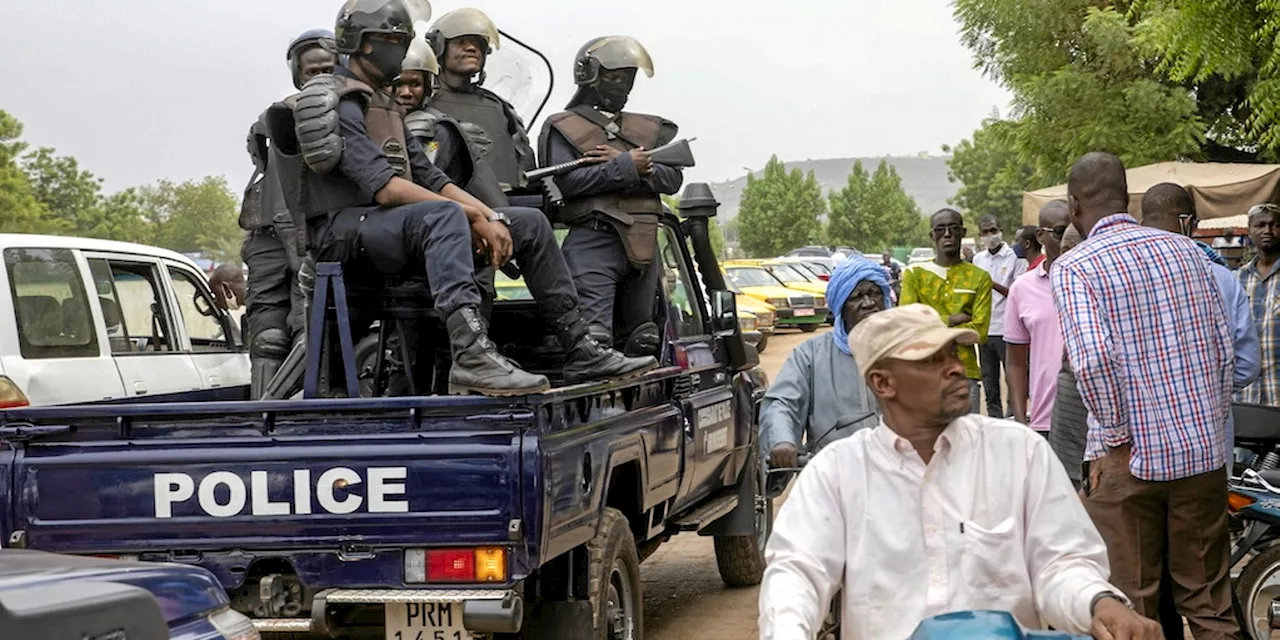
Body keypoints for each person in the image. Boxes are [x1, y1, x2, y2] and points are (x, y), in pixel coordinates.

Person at [291, 0, 654, 396]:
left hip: (387, 225)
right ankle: (472, 357)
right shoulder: (344, 101)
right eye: (394, 41)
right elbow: (384, 186)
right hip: (343, 231)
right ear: (361, 44)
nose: (402, 49)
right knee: (443, 216)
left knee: (527, 222)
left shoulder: (384, 102)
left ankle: (581, 348)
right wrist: (470, 216)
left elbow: (428, 174)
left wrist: (489, 215)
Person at [758, 303, 1160, 640]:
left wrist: (1099, 602)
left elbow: (1060, 563)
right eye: (932, 360)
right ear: (883, 383)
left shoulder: (1018, 451)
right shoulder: (838, 471)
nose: (954, 369)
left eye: (953, 355)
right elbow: (797, 573)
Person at [1052, 152, 1239, 639]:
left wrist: (1114, 437)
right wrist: (1208, 425)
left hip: (1128, 462)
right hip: (1200, 457)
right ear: (1128, 198)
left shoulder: (1075, 267)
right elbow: (1223, 349)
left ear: (1074, 207)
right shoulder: (1187, 253)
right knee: (1209, 602)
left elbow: (1091, 360)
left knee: (1133, 605)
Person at [1141, 182, 1260, 640]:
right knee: (1206, 582)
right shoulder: (1220, 277)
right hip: (1206, 451)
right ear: (1188, 222)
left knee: (1147, 577)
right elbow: (1245, 365)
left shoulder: (1122, 276)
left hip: (1140, 456)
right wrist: (1202, 386)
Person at [538, 36, 684, 356]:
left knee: (644, 339)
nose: (621, 85)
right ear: (590, 76)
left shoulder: (647, 128)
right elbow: (564, 184)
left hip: (645, 242)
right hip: (593, 239)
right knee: (593, 340)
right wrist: (625, 167)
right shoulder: (565, 127)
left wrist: (638, 169)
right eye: (614, 77)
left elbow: (672, 178)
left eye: (627, 78)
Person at [240, 29, 338, 399]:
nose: (320, 76)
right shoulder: (280, 115)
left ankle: (275, 419)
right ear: (299, 74)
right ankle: (266, 421)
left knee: (309, 328)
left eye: (327, 68)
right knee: (270, 335)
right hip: (274, 232)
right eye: (312, 71)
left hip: (312, 230)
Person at [760, 257, 892, 469]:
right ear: (841, 307)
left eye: (874, 293)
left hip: (899, 471)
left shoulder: (906, 348)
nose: (868, 303)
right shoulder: (811, 355)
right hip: (834, 473)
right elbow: (782, 404)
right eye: (856, 297)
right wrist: (782, 440)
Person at [424, 8, 535, 192]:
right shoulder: (421, 99)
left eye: (478, 44)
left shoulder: (500, 108)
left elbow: (526, 170)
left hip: (506, 202)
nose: (471, 48)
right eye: (461, 42)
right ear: (439, 48)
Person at [395, 37, 508, 208]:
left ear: (427, 86)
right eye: (398, 84)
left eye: (415, 84)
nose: (406, 93)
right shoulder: (371, 120)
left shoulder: (436, 130)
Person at [900, 208, 992, 414]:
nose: (948, 234)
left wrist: (929, 328)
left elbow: (980, 332)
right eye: (940, 229)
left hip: (964, 374)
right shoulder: (915, 275)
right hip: (922, 373)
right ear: (932, 235)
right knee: (924, 442)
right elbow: (906, 324)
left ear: (963, 232)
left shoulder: (979, 277)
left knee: (967, 441)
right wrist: (952, 319)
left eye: (953, 228)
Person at [1004, 201, 1069, 436]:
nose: (1070, 241)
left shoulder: (1098, 282)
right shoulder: (1022, 289)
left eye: (1077, 232)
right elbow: (1015, 361)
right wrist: (1022, 421)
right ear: (1041, 235)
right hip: (1045, 421)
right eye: (1061, 232)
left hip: (1099, 421)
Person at [972, 214, 1027, 418]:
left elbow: (1017, 294)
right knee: (989, 381)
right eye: (985, 232)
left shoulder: (1015, 258)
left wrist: (991, 283)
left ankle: (1014, 418)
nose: (990, 236)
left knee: (1013, 378)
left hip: (1008, 329)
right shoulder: (978, 259)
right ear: (980, 235)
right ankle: (995, 421)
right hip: (985, 328)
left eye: (993, 230)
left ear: (1001, 230)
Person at [1048, 224, 1086, 489]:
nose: (1066, 259)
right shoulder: (1052, 283)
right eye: (1063, 251)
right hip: (1057, 409)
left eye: (1073, 250)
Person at [1238, 203, 1280, 406]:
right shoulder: (1237, 280)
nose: (1267, 231)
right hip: (1245, 398)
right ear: (1249, 230)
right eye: (1260, 225)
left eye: (1275, 225)